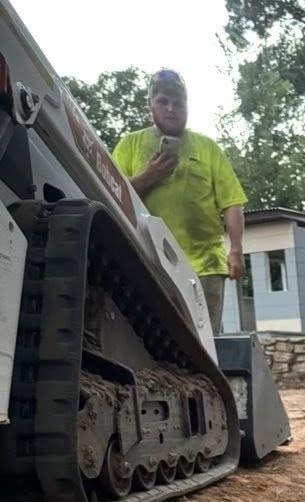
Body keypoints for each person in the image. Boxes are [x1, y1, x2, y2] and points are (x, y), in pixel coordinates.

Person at [113, 69, 247, 334]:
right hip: (147, 261)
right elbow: (112, 194)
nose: (171, 109)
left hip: (205, 267)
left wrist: (236, 250)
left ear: (187, 106)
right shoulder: (130, 145)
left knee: (205, 345)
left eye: (179, 103)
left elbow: (232, 203)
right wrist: (148, 177)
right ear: (150, 104)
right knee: (152, 339)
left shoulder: (207, 147)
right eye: (163, 101)